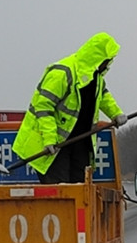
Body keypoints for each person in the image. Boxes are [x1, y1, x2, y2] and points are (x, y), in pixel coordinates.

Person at [12, 32, 128, 183]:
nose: (109, 64)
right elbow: (43, 107)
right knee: (63, 193)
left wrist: (116, 114)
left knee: (80, 191)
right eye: (109, 60)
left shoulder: (96, 77)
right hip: (54, 145)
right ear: (99, 57)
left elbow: (104, 97)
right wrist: (49, 139)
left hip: (79, 142)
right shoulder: (62, 72)